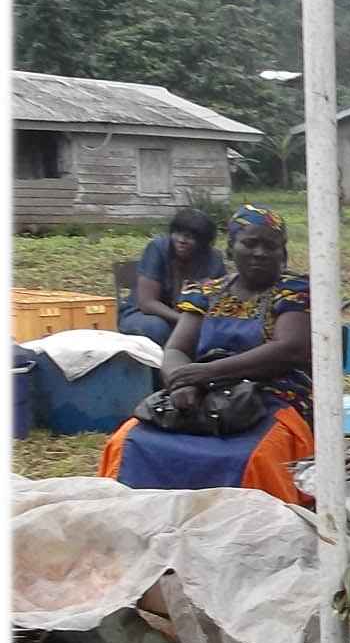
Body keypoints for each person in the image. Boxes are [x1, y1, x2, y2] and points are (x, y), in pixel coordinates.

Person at [98, 206, 314, 503]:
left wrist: (205, 373)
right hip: (205, 397)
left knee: (259, 456)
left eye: (270, 246)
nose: (260, 253)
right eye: (250, 243)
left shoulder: (293, 292)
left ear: (283, 252)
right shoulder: (206, 293)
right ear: (230, 247)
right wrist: (181, 383)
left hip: (273, 399)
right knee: (128, 441)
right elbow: (176, 349)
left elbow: (290, 349)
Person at [119, 208, 224, 346]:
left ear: (203, 242)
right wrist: (184, 321)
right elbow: (148, 303)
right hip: (143, 315)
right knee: (157, 327)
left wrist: (209, 289)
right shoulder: (158, 249)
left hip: (193, 317)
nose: (181, 240)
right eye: (177, 233)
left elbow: (222, 299)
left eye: (190, 237)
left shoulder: (213, 259)